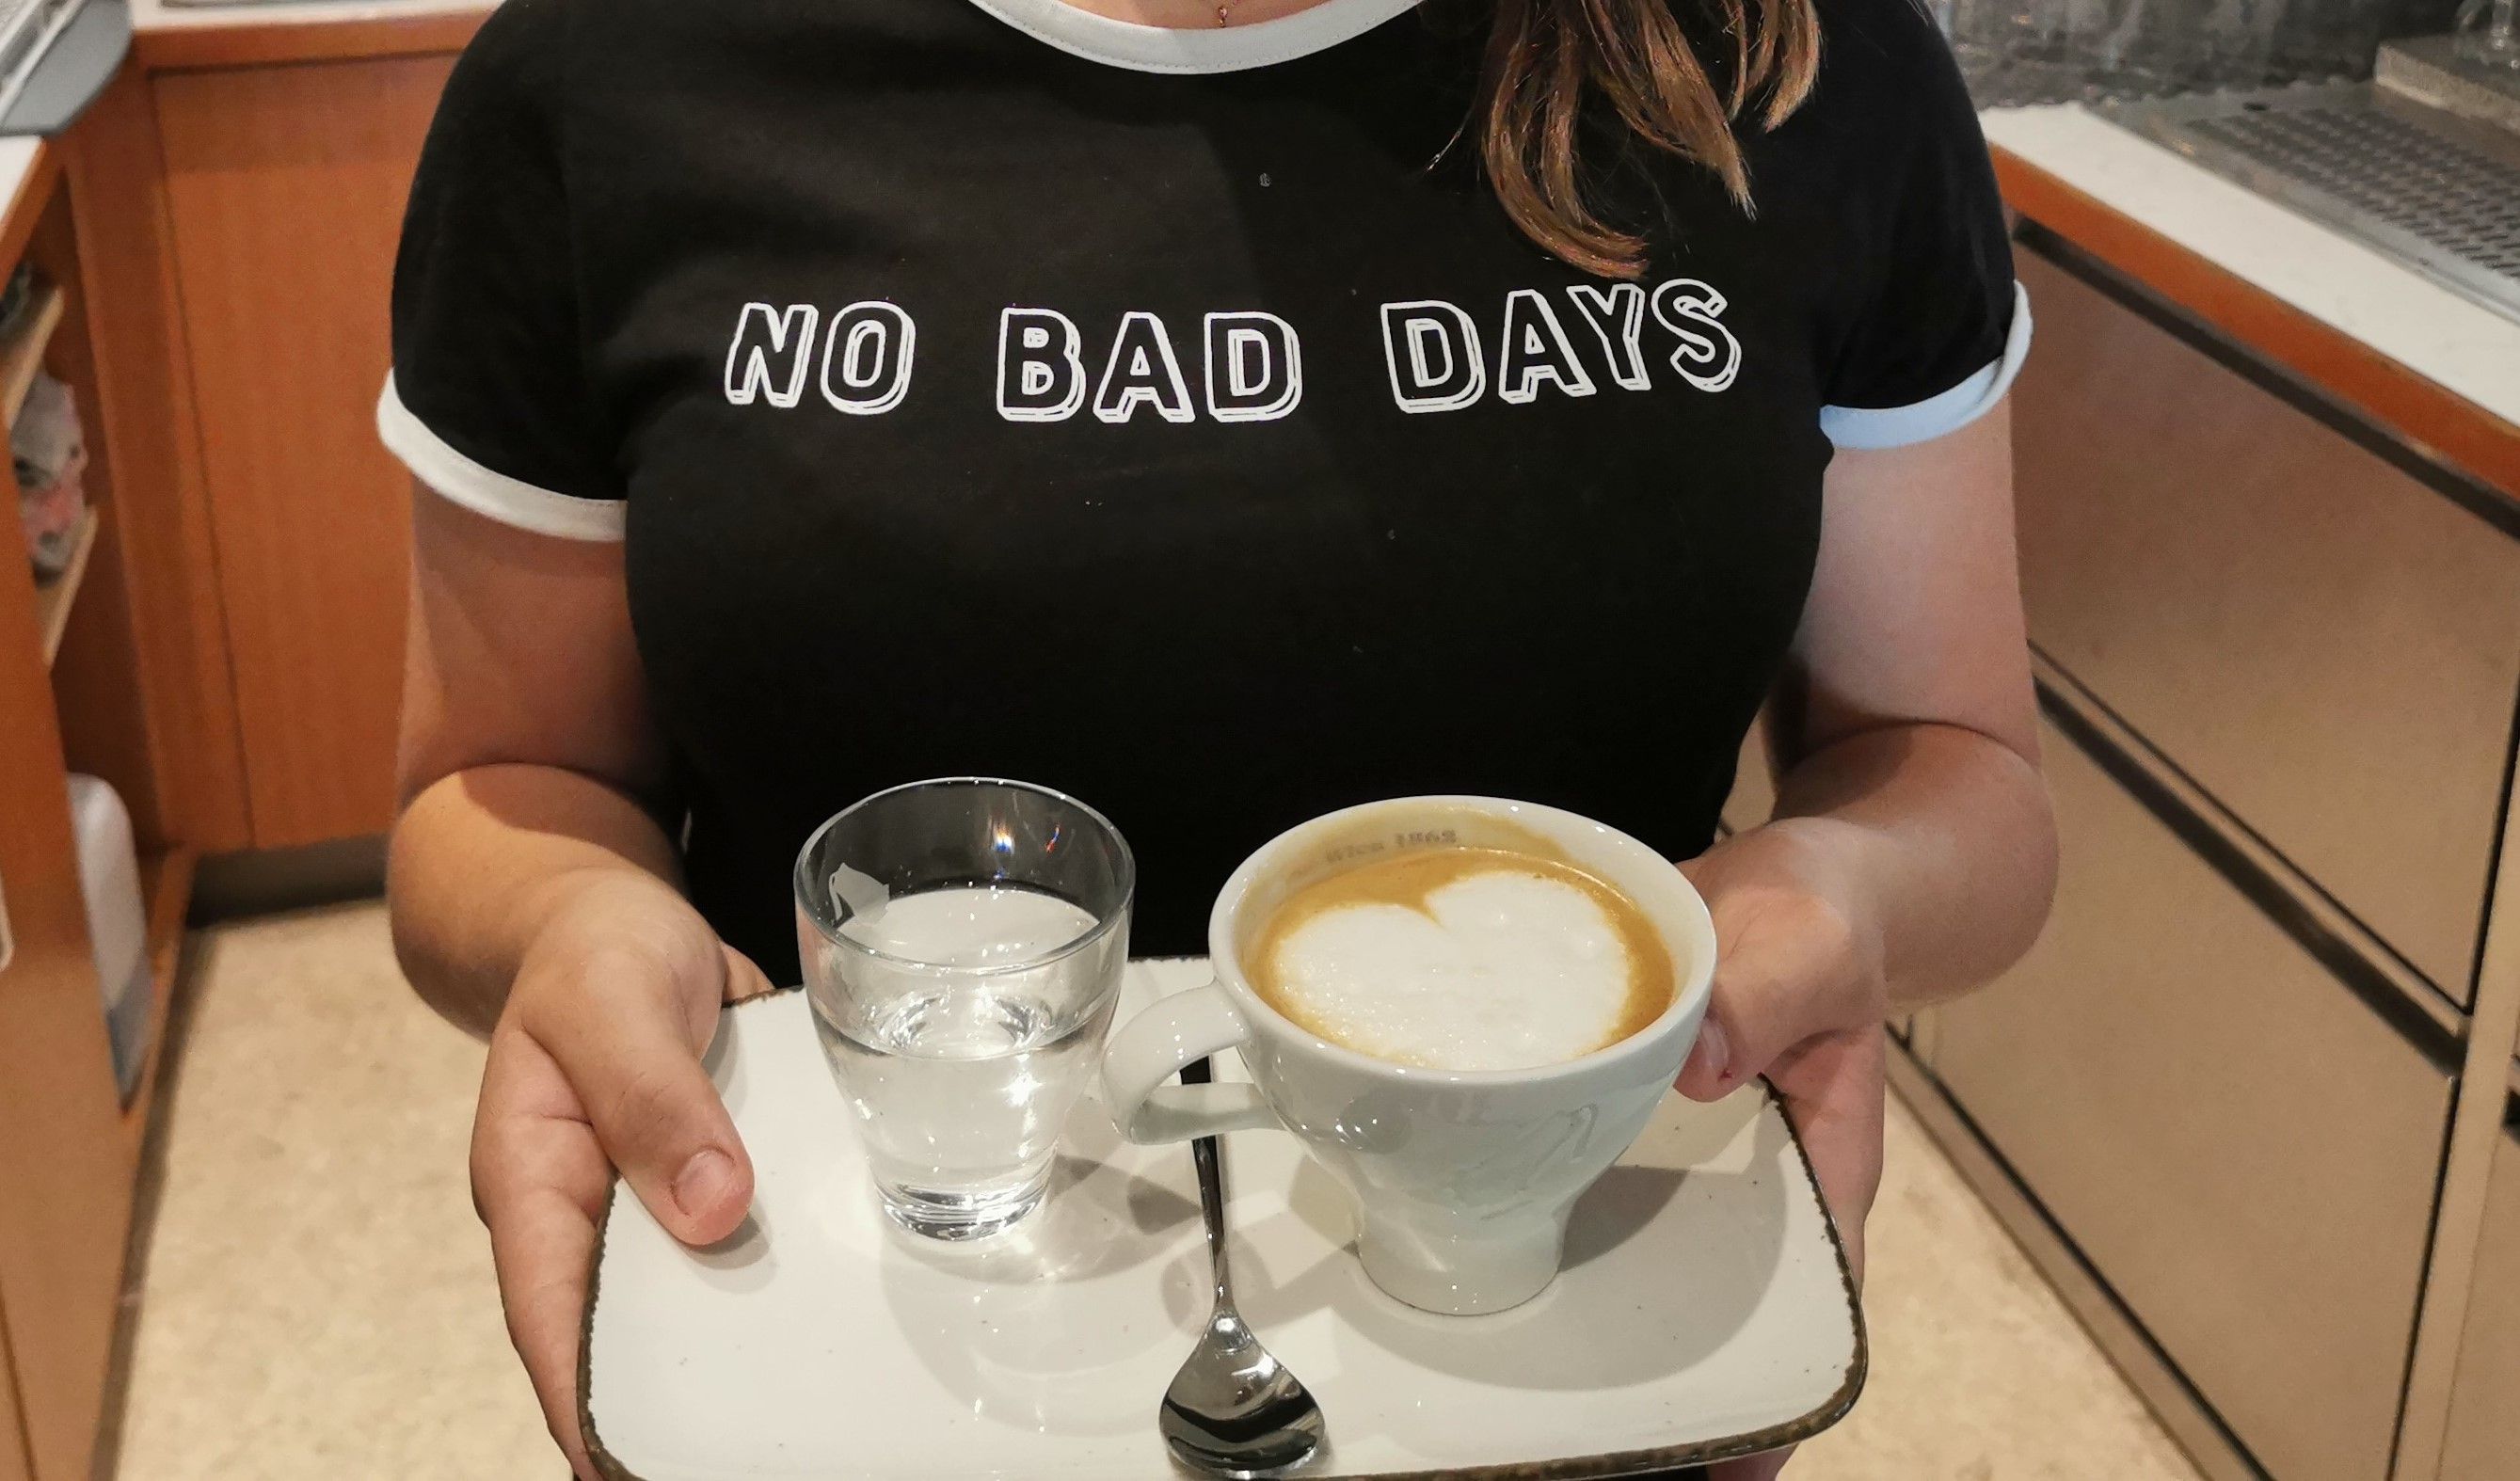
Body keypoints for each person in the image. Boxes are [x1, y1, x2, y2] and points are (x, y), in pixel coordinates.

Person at [380, 0, 2058, 1472]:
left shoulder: (1792, 54)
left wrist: (1839, 893)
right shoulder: (609, 70)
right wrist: (569, 921)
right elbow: (499, 786)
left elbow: (1952, 765)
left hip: (1542, 1354)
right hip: (864, 1350)